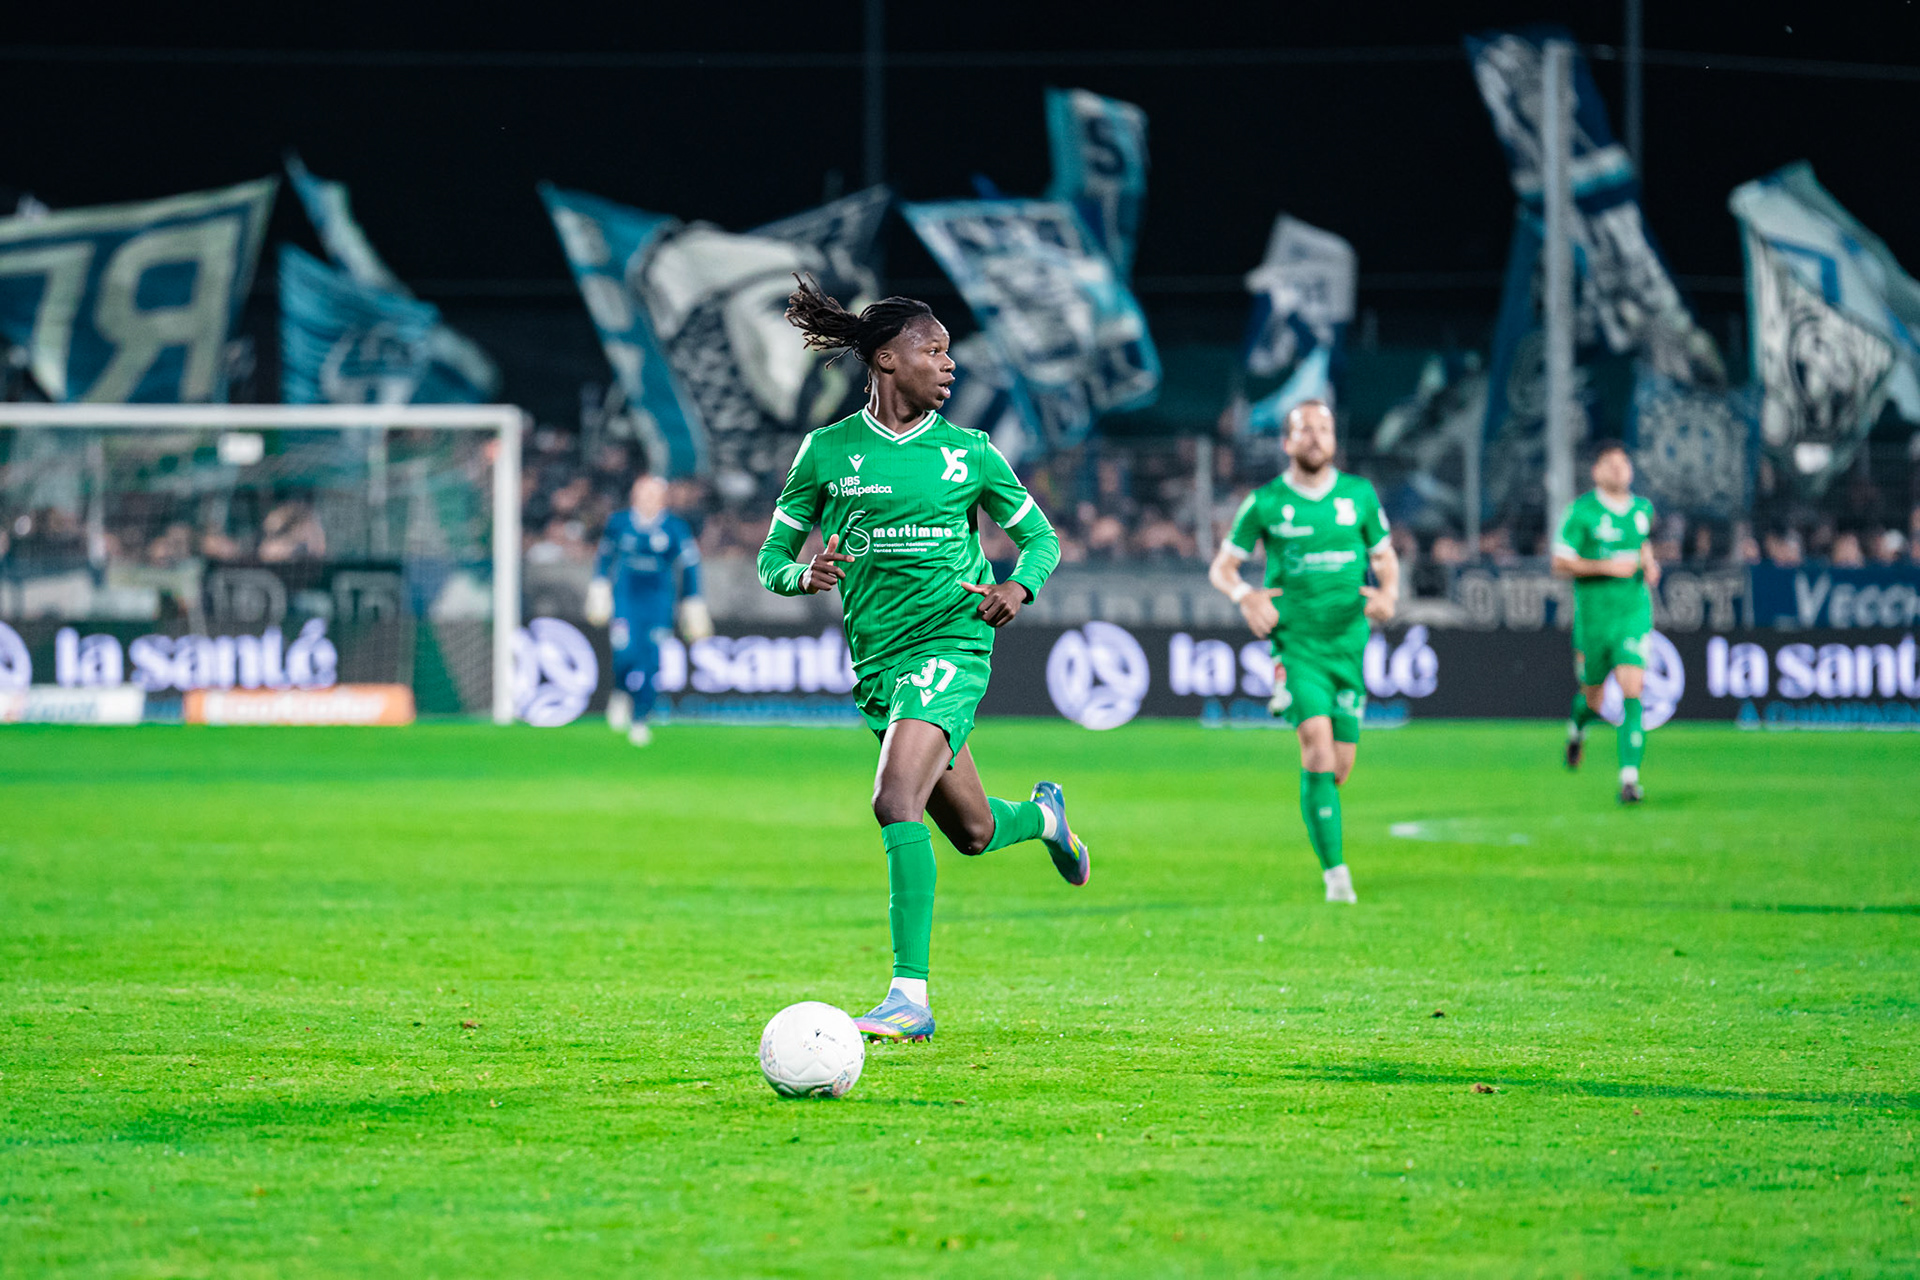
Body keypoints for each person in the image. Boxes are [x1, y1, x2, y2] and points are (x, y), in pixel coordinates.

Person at [757, 274, 1087, 1044]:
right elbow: (771, 558)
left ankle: (909, 996)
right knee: (970, 832)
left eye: (949, 353)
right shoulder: (827, 452)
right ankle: (1046, 818)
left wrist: (1019, 586)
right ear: (883, 359)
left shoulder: (968, 453)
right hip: (879, 663)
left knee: (892, 799)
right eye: (932, 350)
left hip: (952, 646)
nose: (948, 365)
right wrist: (802, 574)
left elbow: (1043, 540)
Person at [1207, 401, 1398, 904]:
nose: (1315, 437)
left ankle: (1327, 838)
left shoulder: (1358, 496)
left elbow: (1385, 558)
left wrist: (1387, 595)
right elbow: (1223, 568)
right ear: (1287, 442)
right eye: (1304, 430)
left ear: (1334, 439)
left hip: (1349, 646)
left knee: (1337, 766)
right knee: (1315, 741)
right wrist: (1244, 595)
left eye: (1324, 428)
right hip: (1297, 645)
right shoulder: (1266, 502)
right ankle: (1337, 876)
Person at [1552, 441, 1659, 804]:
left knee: (1633, 689)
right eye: (1610, 463)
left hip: (1632, 615)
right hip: (1594, 621)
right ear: (1596, 471)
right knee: (1593, 698)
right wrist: (1606, 567)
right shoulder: (1581, 512)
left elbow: (1643, 548)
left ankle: (1629, 780)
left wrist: (1651, 563)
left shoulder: (1643, 510)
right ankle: (1577, 729)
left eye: (1624, 462)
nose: (1619, 468)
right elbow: (1560, 563)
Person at [585, 475, 711, 747]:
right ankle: (620, 691)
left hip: (658, 601)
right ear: (634, 496)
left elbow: (689, 566)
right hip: (626, 598)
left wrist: (693, 601)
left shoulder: (675, 528)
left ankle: (640, 719)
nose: (648, 500)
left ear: (663, 499)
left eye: (654, 495)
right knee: (625, 654)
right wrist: (599, 585)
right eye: (643, 494)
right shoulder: (619, 523)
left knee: (652, 660)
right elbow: (605, 557)